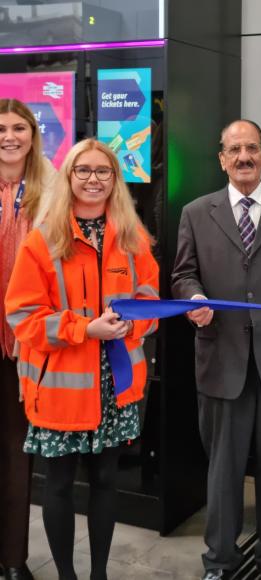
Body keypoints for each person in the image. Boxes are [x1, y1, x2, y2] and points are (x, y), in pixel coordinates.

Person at [171, 119, 261, 580]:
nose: (243, 157)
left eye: (251, 148)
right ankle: (219, 560)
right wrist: (193, 299)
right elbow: (183, 274)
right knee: (223, 469)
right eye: (234, 150)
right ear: (221, 158)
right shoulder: (197, 212)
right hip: (221, 358)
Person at [4, 138, 159, 580]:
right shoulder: (42, 241)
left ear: (115, 179)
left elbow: (149, 298)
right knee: (58, 485)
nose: (94, 180)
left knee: (106, 481)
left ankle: (99, 576)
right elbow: (22, 316)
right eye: (83, 171)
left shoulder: (132, 238)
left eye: (103, 171)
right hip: (60, 387)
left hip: (116, 385)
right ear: (69, 177)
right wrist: (83, 329)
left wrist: (134, 324)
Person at [0, 98, 56, 580]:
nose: (9, 136)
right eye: (0, 128)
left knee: (18, 455)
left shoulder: (52, 190)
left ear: (33, 136)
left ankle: (13, 561)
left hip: (26, 342)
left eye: (19, 127)